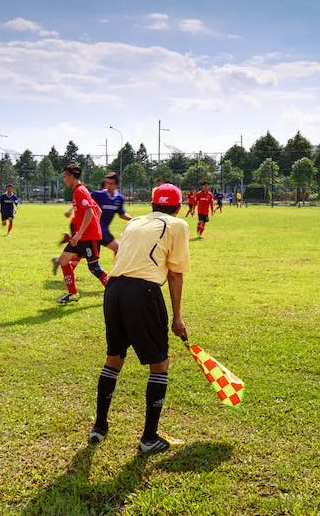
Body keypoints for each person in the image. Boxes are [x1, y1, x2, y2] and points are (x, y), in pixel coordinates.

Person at [88, 183, 190, 455]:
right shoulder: (178, 225)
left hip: (113, 289)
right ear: (178, 208)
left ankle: (99, 426)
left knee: (114, 357)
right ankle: (149, 438)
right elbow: (175, 274)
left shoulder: (134, 223)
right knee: (160, 364)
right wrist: (177, 318)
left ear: (152, 205)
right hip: (143, 292)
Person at [53, 163, 107, 303]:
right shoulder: (80, 190)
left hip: (88, 238)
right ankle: (73, 293)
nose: (64, 179)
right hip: (81, 237)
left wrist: (82, 232)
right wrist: (88, 229)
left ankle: (114, 291)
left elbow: (90, 212)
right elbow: (98, 211)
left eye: (65, 176)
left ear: (72, 176)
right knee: (63, 260)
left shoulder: (80, 191)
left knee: (94, 268)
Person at [91, 172, 132, 254]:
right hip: (95, 230)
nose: (108, 185)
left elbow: (121, 214)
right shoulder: (97, 195)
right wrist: (71, 210)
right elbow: (84, 201)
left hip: (103, 230)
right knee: (118, 249)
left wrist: (133, 219)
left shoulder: (119, 198)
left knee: (86, 254)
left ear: (116, 185)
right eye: (107, 183)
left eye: (111, 184)